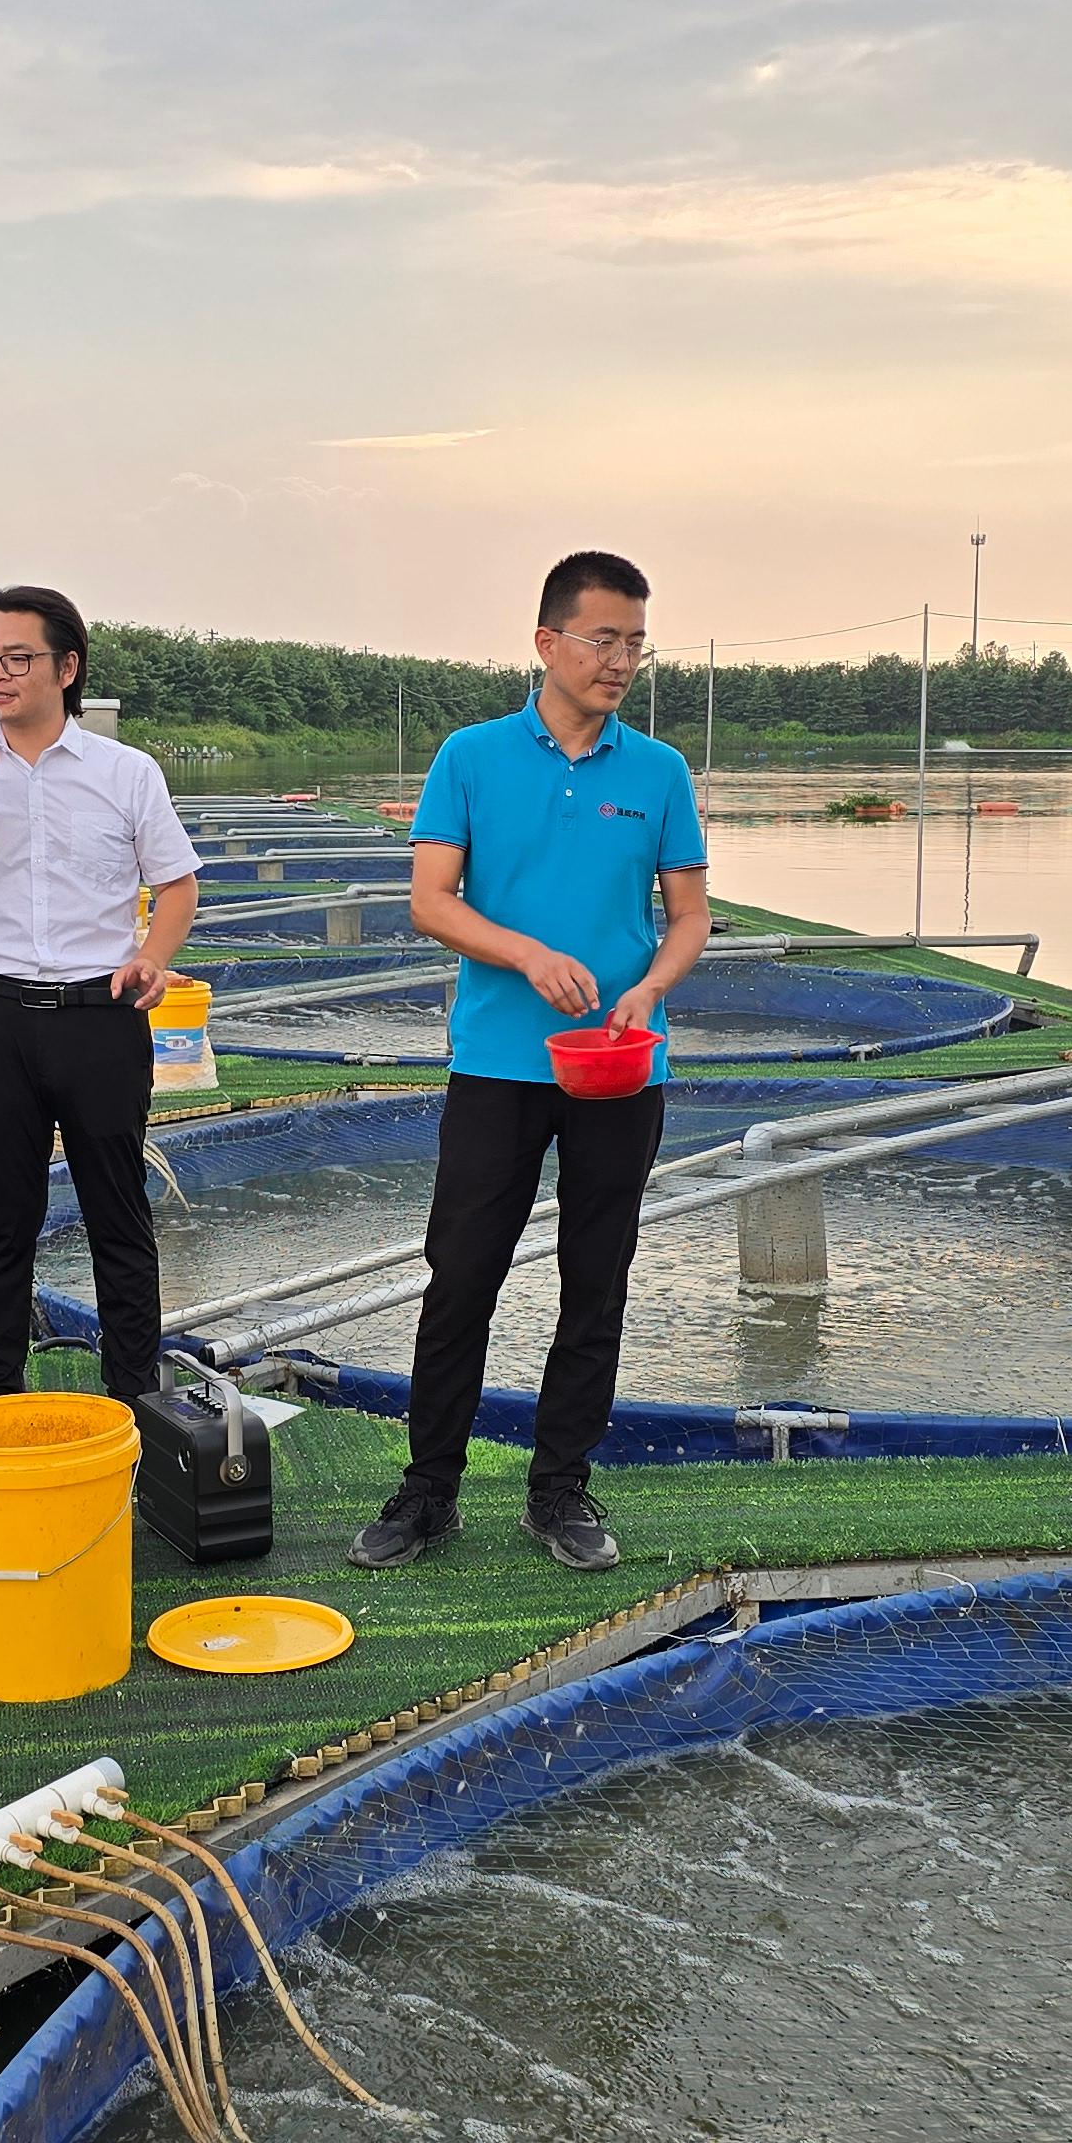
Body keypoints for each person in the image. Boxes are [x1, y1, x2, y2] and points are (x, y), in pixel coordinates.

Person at [349, 549, 709, 1577]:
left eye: (636, 641)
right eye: (603, 638)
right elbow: (430, 900)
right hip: (501, 1063)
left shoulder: (658, 772)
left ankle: (560, 1493)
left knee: (596, 1280)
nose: (622, 659)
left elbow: (688, 918)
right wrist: (526, 953)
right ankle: (427, 1494)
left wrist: (647, 989)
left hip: (620, 1065)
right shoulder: (470, 756)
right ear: (547, 641)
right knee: (461, 1274)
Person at [0, 585, 201, 1404]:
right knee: (2, 1220)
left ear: (66, 669)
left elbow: (176, 886)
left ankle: (136, 1402)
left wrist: (153, 956)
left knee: (118, 1219)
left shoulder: (124, 771)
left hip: (101, 1016)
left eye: (17, 658)